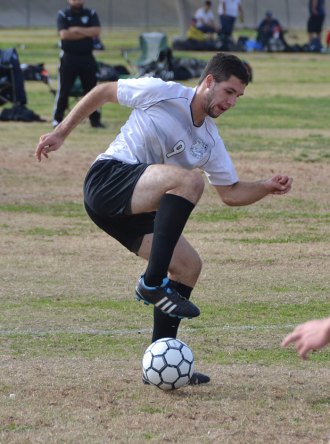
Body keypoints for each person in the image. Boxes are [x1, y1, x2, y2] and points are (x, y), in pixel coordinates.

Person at [35, 52, 293, 385]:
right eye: (229, 92)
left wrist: (265, 187)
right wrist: (61, 133)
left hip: (133, 210)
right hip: (108, 180)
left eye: (238, 97)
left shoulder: (209, 139)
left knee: (188, 266)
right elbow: (102, 91)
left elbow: (230, 193)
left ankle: (159, 362)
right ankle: (152, 283)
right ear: (209, 81)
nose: (232, 102)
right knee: (188, 180)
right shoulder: (163, 91)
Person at [53, 0, 104, 129]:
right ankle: (57, 120)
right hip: (69, 57)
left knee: (92, 90)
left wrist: (76, 30)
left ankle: (95, 120)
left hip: (87, 57)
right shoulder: (63, 14)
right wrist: (86, 32)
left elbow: (96, 31)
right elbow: (64, 34)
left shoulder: (91, 13)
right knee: (64, 90)